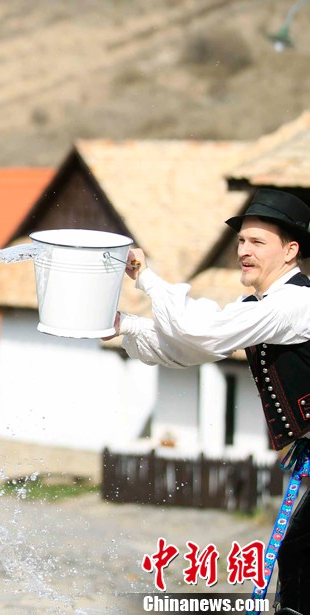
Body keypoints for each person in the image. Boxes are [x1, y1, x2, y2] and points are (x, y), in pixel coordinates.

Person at [114, 188, 310, 614]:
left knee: (300, 553)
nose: (244, 251)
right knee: (298, 554)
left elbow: (200, 332)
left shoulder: (297, 303)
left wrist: (147, 278)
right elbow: (191, 348)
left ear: (290, 251)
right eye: (241, 241)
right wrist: (124, 325)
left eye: (257, 242)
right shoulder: (256, 307)